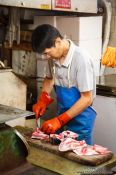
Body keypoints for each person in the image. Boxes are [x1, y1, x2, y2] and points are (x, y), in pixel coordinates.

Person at [32, 24, 97, 145]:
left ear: (57, 42)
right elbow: (49, 78)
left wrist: (59, 121)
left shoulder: (81, 59)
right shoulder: (53, 58)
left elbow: (87, 98)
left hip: (81, 121)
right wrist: (43, 98)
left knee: (78, 159)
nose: (47, 57)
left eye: (47, 53)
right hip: (62, 116)